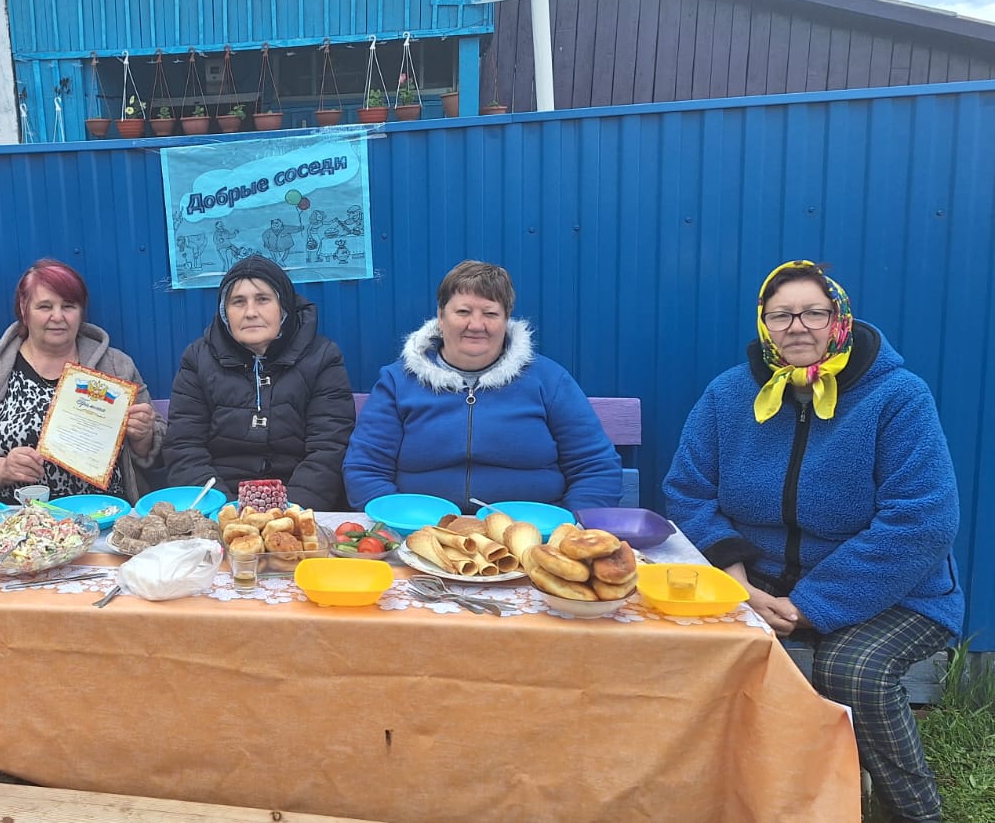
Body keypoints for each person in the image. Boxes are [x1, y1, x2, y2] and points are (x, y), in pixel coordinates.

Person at [664, 260, 961, 823]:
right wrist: (738, 581)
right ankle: (728, 800)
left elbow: (922, 519)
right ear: (764, 325)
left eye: (813, 313)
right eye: (780, 315)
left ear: (839, 319)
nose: (797, 327)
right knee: (680, 652)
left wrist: (812, 606)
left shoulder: (897, 397)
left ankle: (913, 812)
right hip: (756, 583)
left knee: (854, 671)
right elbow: (687, 491)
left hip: (893, 591)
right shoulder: (729, 395)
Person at [343, 260, 620, 510]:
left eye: (490, 313)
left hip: (532, 536)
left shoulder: (549, 380)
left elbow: (595, 468)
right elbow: (365, 468)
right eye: (463, 311)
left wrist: (571, 530)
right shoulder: (398, 381)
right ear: (441, 316)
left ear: (506, 319)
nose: (476, 325)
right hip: (420, 533)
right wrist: (395, 521)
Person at [0, 259, 163, 502]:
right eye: (44, 307)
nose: (57, 316)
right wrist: (0, 468)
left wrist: (143, 436)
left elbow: (160, 447)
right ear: (24, 308)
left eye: (68, 306)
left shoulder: (116, 366)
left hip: (103, 515)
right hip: (15, 522)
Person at [165, 256, 355, 509]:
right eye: (238, 302)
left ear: (284, 306)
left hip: (299, 506)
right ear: (224, 312)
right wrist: (225, 513)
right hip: (220, 504)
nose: (251, 312)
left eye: (263, 299)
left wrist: (288, 516)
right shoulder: (198, 359)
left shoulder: (322, 357)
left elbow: (329, 449)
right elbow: (184, 449)